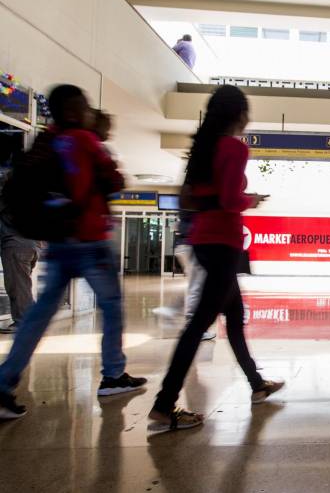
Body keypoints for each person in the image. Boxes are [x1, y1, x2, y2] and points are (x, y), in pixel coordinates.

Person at [0, 85, 147, 420]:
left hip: (61, 241)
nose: (87, 112)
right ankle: (112, 374)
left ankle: (4, 382)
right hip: (90, 240)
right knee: (111, 306)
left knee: (38, 316)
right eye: (83, 106)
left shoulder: (48, 138)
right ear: (71, 110)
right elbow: (114, 180)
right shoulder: (83, 139)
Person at [149, 85, 282, 432]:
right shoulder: (234, 148)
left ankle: (256, 384)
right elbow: (228, 199)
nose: (248, 118)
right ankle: (164, 404)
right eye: (246, 111)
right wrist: (249, 200)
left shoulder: (203, 149)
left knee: (235, 317)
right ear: (238, 114)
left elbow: (196, 198)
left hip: (205, 239)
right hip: (222, 242)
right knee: (198, 324)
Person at [0, 134, 41, 334]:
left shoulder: (14, 188)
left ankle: (25, 321)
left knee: (18, 285)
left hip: (18, 244)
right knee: (22, 284)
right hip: (31, 244)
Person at [173, 212, 215, 341]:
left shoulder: (188, 205)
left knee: (195, 285)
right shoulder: (195, 205)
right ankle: (192, 326)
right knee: (196, 286)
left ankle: (176, 311)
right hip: (191, 245)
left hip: (185, 245)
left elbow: (178, 225)